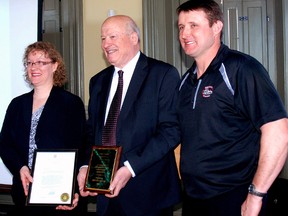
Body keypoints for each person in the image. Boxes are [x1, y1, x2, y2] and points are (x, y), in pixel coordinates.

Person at [175, 0, 288, 216]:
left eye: (193, 25)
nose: (185, 33)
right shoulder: (185, 81)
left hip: (235, 198)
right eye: (181, 27)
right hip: (193, 198)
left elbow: (278, 133)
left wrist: (256, 196)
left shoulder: (242, 69)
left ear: (217, 27)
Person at [77, 15, 182, 216]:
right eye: (103, 38)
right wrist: (84, 165)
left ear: (134, 38)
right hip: (105, 196)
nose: (106, 44)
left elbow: (171, 131)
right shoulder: (98, 81)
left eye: (113, 36)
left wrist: (130, 167)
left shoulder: (162, 74)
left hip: (147, 193)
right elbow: (91, 132)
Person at [0, 41, 87, 216]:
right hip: (24, 193)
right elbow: (5, 144)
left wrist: (73, 190)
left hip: (60, 196)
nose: (34, 67)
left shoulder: (71, 103)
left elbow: (82, 146)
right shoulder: (17, 104)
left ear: (55, 66)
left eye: (41, 62)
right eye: (30, 62)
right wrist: (20, 167)